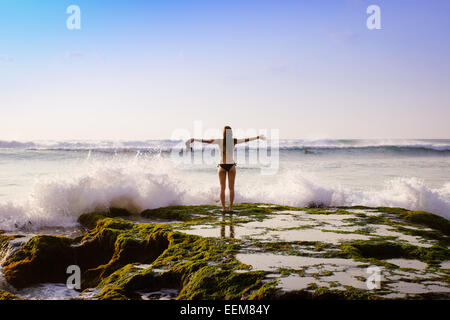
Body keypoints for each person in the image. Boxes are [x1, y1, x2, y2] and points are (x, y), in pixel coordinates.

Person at [189, 126, 265, 212]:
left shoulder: (219, 141)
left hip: (222, 166)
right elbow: (246, 140)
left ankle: (223, 208)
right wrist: (257, 137)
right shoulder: (234, 141)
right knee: (231, 188)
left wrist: (194, 139)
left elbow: (207, 141)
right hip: (231, 166)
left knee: (222, 188)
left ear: (223, 133)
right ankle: (231, 208)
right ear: (231, 133)